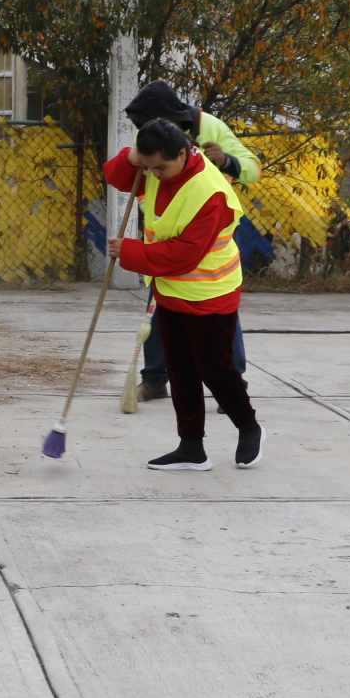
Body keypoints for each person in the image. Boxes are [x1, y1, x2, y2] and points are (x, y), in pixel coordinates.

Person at [106, 118, 263, 471]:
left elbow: (184, 255)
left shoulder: (211, 192)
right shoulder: (155, 169)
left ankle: (249, 427)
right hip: (171, 291)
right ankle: (191, 447)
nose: (154, 174)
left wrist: (129, 253)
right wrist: (132, 159)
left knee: (216, 369)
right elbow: (116, 177)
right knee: (181, 370)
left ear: (183, 153)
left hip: (212, 292)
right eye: (148, 168)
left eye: (160, 167)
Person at [123, 80, 259, 402]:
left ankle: (232, 380)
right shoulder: (150, 135)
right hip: (165, 229)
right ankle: (155, 378)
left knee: (220, 312)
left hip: (206, 231)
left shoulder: (211, 127)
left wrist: (226, 161)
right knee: (159, 306)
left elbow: (253, 170)